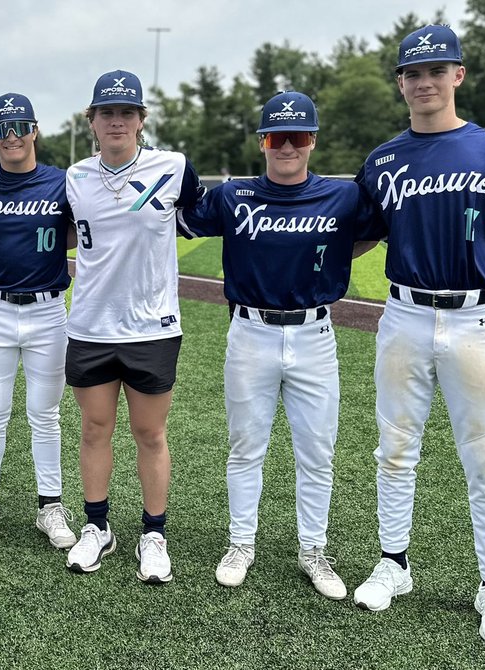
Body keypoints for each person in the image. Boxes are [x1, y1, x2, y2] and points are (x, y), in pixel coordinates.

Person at [352, 25, 485, 648]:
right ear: (400, 83)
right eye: (412, 72)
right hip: (402, 314)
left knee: (484, 459)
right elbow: (359, 236)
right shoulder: (382, 160)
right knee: (395, 449)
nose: (424, 81)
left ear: (458, 74)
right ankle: (394, 563)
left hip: (476, 319)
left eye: (436, 70)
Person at [180, 91, 383, 600]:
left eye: (296, 136)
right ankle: (240, 544)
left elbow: (366, 235)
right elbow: (184, 216)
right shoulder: (233, 195)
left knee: (317, 451)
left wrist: (330, 256)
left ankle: (313, 549)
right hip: (250, 332)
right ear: (262, 141)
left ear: (312, 140)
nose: (286, 146)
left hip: (315, 334)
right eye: (276, 136)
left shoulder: (343, 196)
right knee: (246, 447)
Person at [63, 70, 204, 583]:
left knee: (149, 432)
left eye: (127, 112)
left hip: (152, 328)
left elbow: (198, 216)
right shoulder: (74, 177)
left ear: (141, 120)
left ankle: (154, 533)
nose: (117, 120)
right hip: (91, 326)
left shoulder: (173, 167)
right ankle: (97, 528)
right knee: (95, 429)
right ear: (93, 121)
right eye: (107, 113)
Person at [0, 93, 76, 549]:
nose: (12, 137)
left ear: (34, 130)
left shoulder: (61, 182)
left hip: (48, 312)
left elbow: (77, 231)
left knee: (45, 416)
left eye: (19, 126)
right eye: (1, 129)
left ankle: (50, 507)